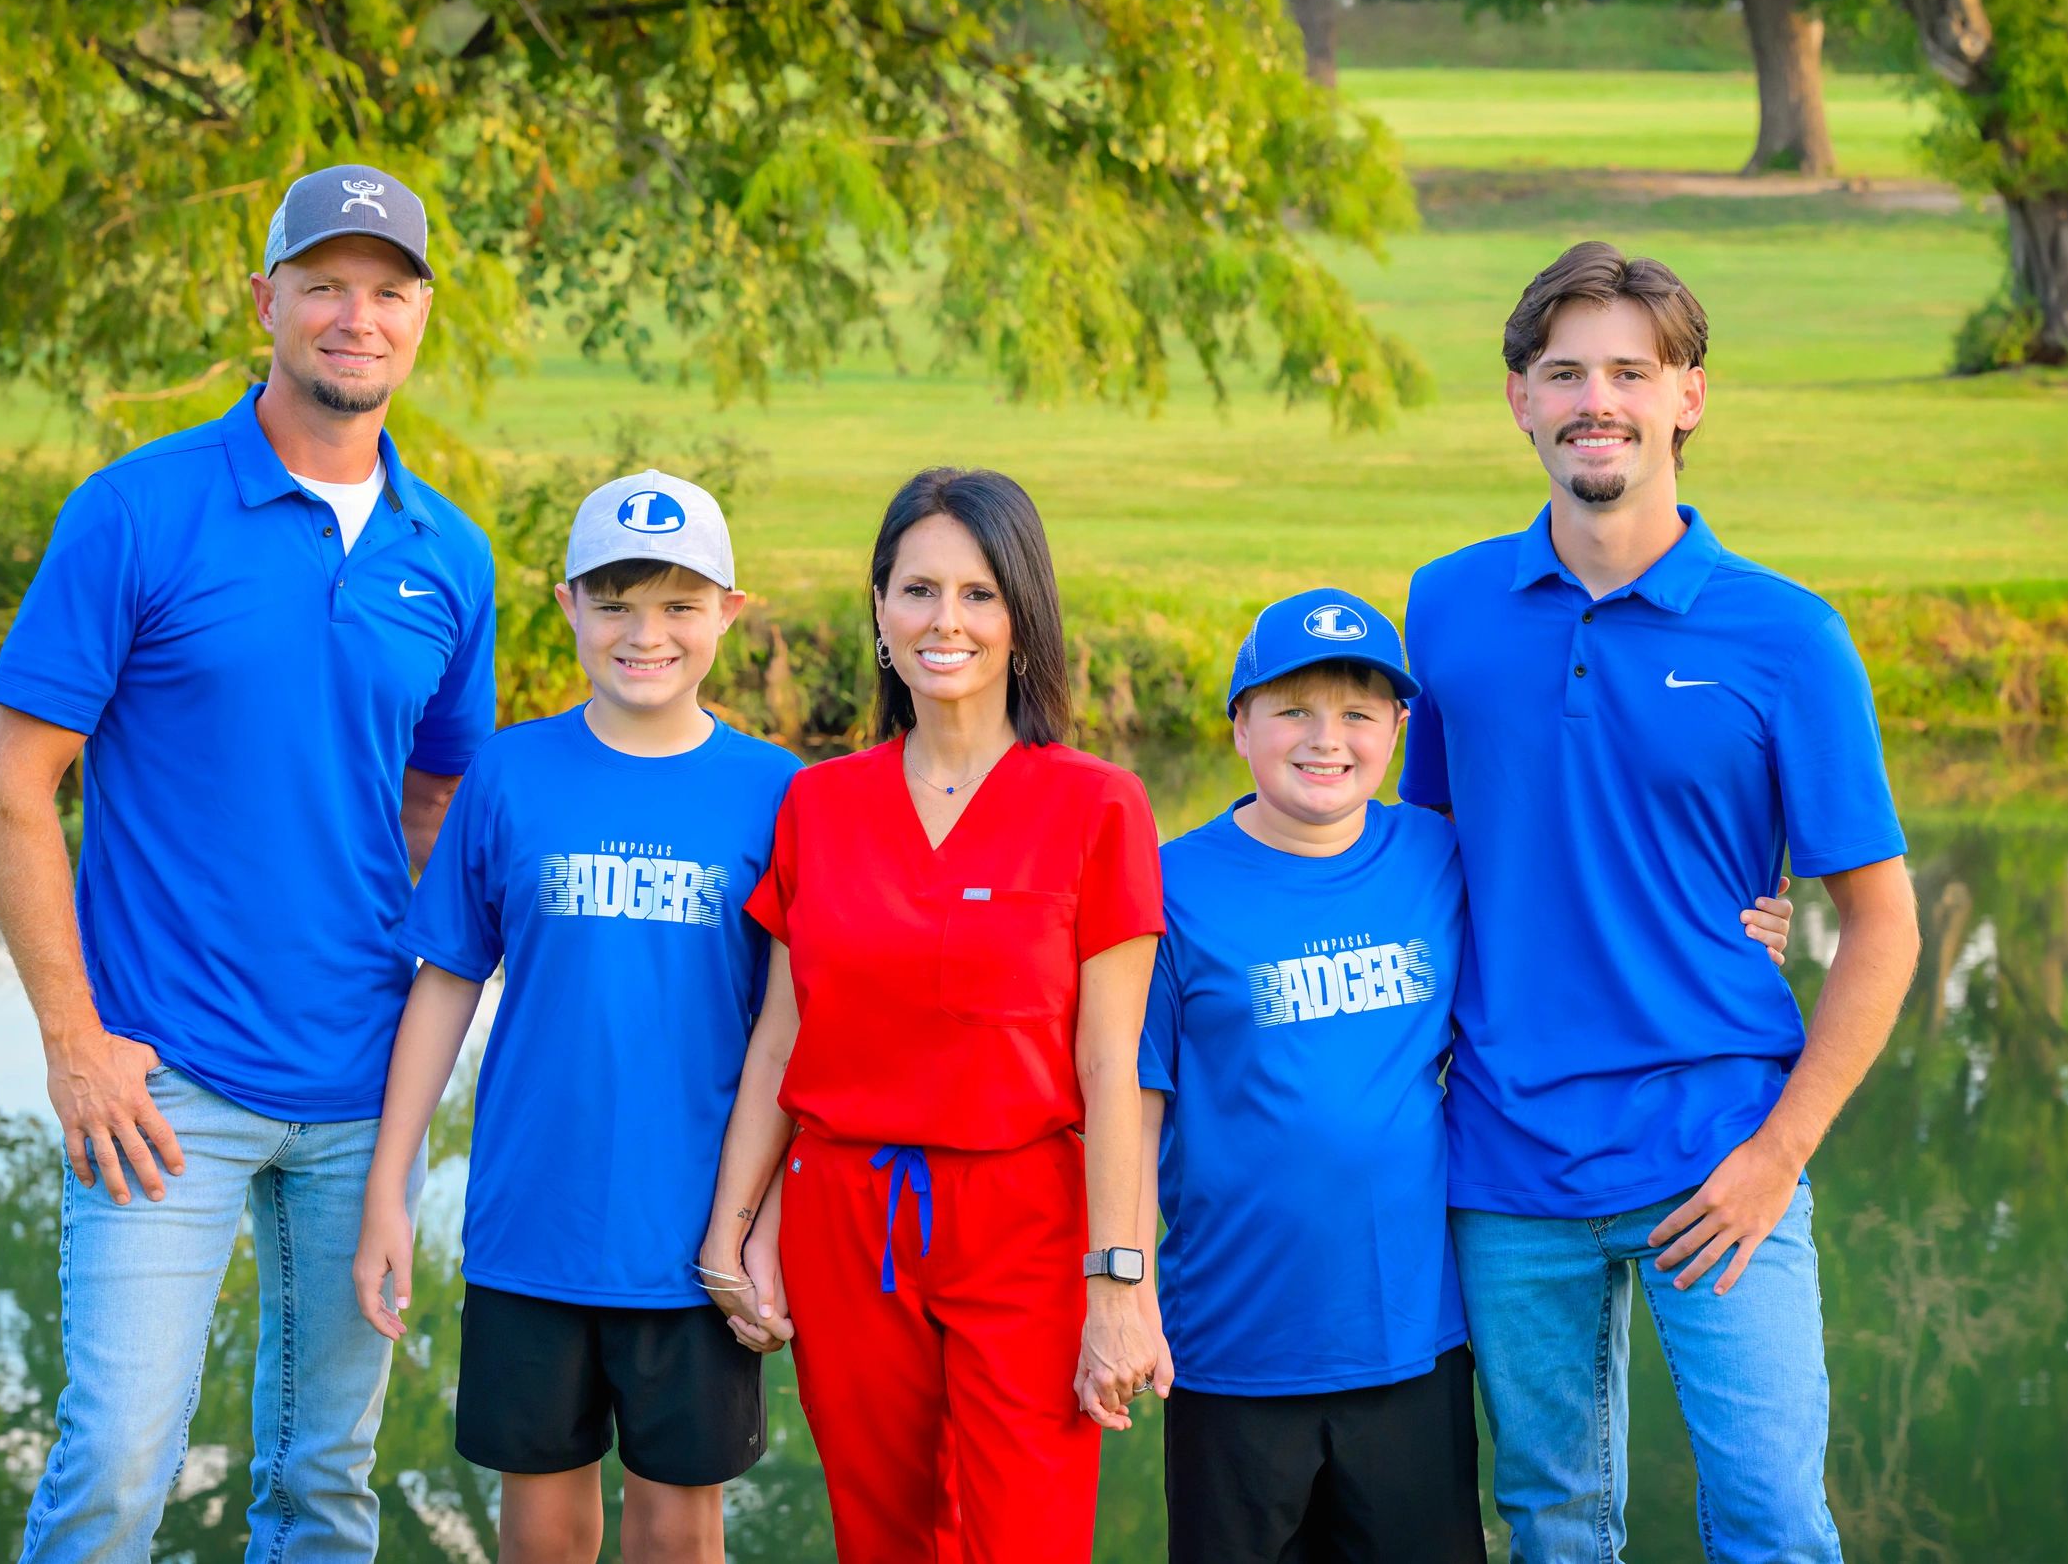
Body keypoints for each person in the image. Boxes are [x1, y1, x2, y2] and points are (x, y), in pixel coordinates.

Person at [0, 165, 496, 1563]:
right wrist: (75, 1039)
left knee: (326, 1480)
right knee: (117, 1457)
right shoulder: (137, 509)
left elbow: (437, 794)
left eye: (387, 289)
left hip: (361, 1091)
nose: (356, 314)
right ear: (266, 299)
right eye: (324, 282)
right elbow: (14, 784)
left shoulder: (451, 555)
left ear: (420, 317)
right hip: (161, 1084)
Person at [1399, 240, 1921, 1562]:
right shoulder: (1448, 604)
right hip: (1508, 1159)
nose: (1598, 398)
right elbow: (1427, 856)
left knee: (1772, 1520)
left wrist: (1776, 1155)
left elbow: (1886, 922)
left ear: (1688, 395)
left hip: (1721, 1147)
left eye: (1632, 369)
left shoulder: (1786, 634)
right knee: (1553, 1525)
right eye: (1566, 370)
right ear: (1518, 396)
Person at [1142, 588, 1796, 1564]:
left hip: (1412, 1346)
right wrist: (1114, 1283)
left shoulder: (1438, 855)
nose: (1326, 739)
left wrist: (1724, 928)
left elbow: (1579, 910)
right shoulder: (1166, 886)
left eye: (1359, 712)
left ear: (1401, 730)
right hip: (1231, 1350)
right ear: (1239, 724)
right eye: (1290, 709)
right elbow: (1126, 1102)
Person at [694, 467, 1170, 1564]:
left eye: (977, 593)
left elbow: (1112, 1069)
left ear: (1021, 617)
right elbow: (781, 1037)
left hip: (1027, 1224)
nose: (943, 621)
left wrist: (1118, 1284)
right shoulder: (820, 802)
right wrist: (734, 1224)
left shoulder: (1097, 804)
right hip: (847, 1221)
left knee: (1028, 1539)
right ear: (878, 608)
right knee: (885, 1536)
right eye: (917, 590)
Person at [350, 471, 797, 1564]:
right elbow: (448, 981)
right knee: (541, 1528)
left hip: (697, 1244)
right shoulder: (509, 773)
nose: (646, 634)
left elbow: (798, 1037)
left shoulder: (780, 791)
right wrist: (388, 1187)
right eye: (615, 603)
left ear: (729, 612)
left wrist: (766, 1222)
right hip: (530, 1228)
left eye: (680, 605)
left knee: (678, 1530)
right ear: (567, 608)